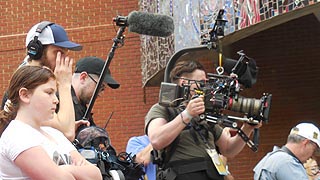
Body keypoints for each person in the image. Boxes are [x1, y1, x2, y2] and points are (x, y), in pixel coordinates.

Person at [145, 59, 262, 180]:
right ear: (184, 82)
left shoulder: (205, 112)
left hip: (210, 174)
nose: (205, 87)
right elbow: (156, 140)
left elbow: (228, 149)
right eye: (201, 83)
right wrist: (188, 114)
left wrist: (247, 128)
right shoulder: (163, 109)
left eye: (205, 83)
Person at [0, 66, 102, 180]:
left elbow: (96, 174)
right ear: (25, 95)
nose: (56, 100)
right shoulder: (17, 135)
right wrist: (75, 171)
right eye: (49, 92)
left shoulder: (54, 133)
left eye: (55, 93)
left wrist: (66, 169)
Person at [1, 21, 82, 141]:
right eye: (58, 53)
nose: (63, 59)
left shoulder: (42, 81)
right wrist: (65, 85)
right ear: (37, 50)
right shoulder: (29, 85)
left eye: (65, 54)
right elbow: (68, 133)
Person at [69, 56, 120, 135]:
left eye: (102, 89)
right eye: (100, 87)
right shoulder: (59, 103)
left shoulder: (82, 108)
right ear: (83, 78)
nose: (100, 94)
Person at [253, 122, 320, 180]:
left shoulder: (271, 157)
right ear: (306, 143)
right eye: (313, 150)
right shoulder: (287, 163)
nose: (311, 156)